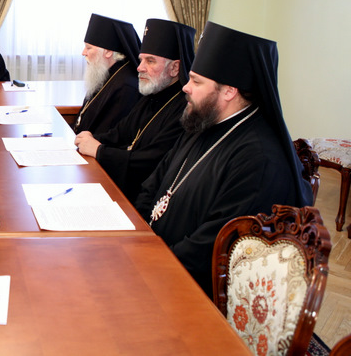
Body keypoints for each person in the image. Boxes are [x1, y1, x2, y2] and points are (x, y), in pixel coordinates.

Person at [133, 21, 313, 297]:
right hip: (154, 259)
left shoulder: (259, 160)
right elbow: (153, 184)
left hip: (192, 290)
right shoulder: (202, 121)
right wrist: (138, 236)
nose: (185, 88)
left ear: (229, 90)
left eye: (196, 81)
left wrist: (149, 262)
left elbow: (213, 246)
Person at [75, 18, 195, 203]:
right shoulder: (151, 94)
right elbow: (120, 132)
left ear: (174, 68)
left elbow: (151, 162)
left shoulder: (185, 109)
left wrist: (99, 151)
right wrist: (90, 138)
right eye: (141, 60)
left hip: (142, 198)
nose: (140, 68)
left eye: (150, 61)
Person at [73, 13, 141, 136]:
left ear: (108, 52)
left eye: (88, 48)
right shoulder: (103, 73)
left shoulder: (126, 86)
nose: (83, 53)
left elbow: (110, 135)